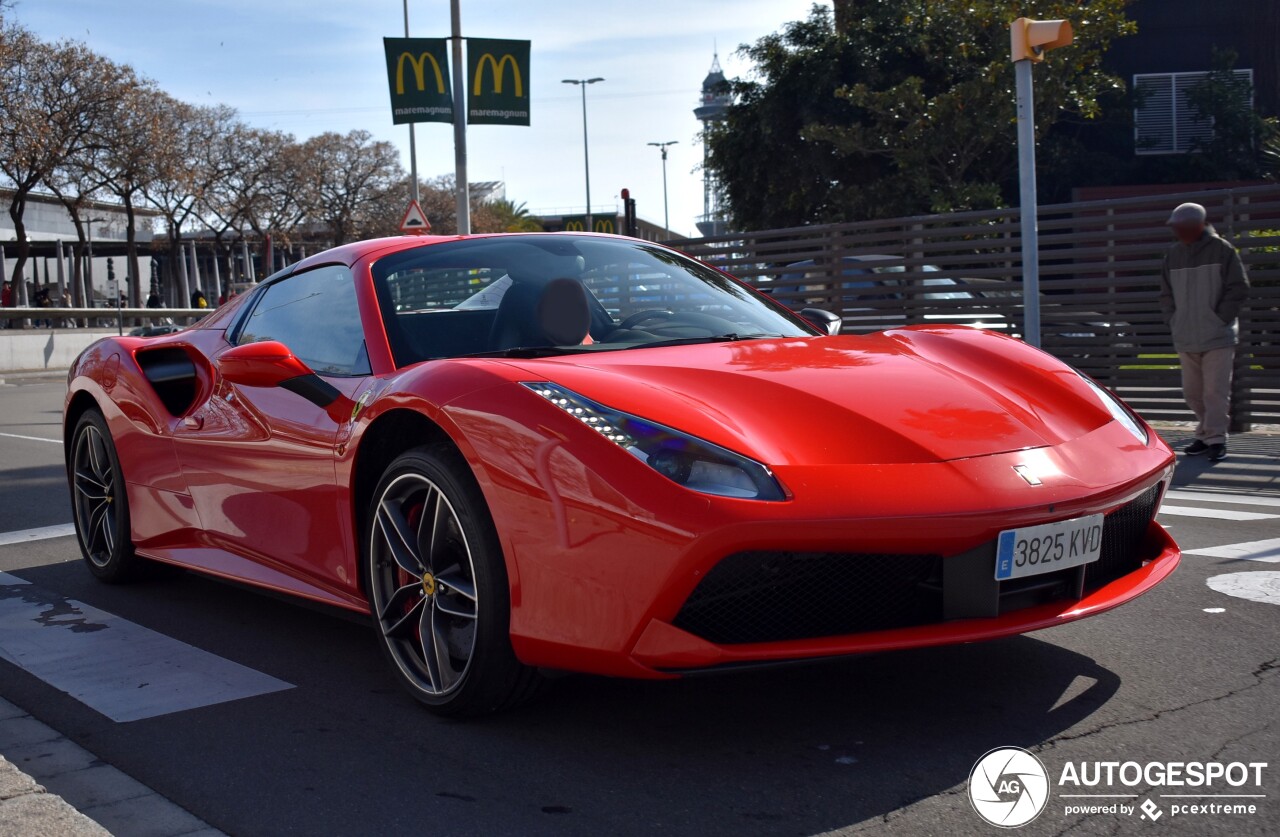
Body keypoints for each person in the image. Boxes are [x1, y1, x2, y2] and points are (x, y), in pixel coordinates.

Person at [1158, 202, 1250, 462]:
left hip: (1218, 337)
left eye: (1181, 227)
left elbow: (1238, 287)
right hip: (1186, 335)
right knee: (1193, 393)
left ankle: (1216, 439)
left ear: (1197, 226)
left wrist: (1220, 318)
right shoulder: (1173, 255)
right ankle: (1206, 432)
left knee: (1215, 392)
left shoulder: (1222, 250)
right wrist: (1174, 320)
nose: (1177, 232)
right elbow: (1165, 294)